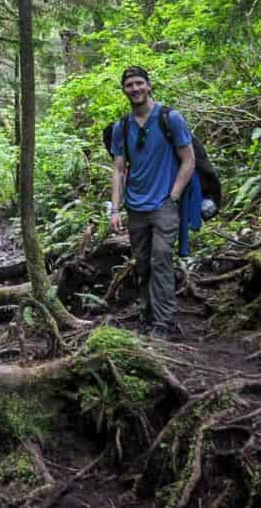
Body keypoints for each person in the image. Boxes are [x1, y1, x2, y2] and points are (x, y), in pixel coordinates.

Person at [109, 66, 195, 340]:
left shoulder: (171, 118)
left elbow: (188, 159)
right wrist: (114, 208)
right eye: (129, 85)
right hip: (136, 207)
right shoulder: (121, 127)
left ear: (148, 85)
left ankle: (165, 322)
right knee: (142, 262)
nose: (134, 89)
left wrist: (174, 195)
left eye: (138, 83)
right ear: (124, 90)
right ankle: (147, 316)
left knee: (161, 259)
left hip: (164, 204)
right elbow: (118, 169)